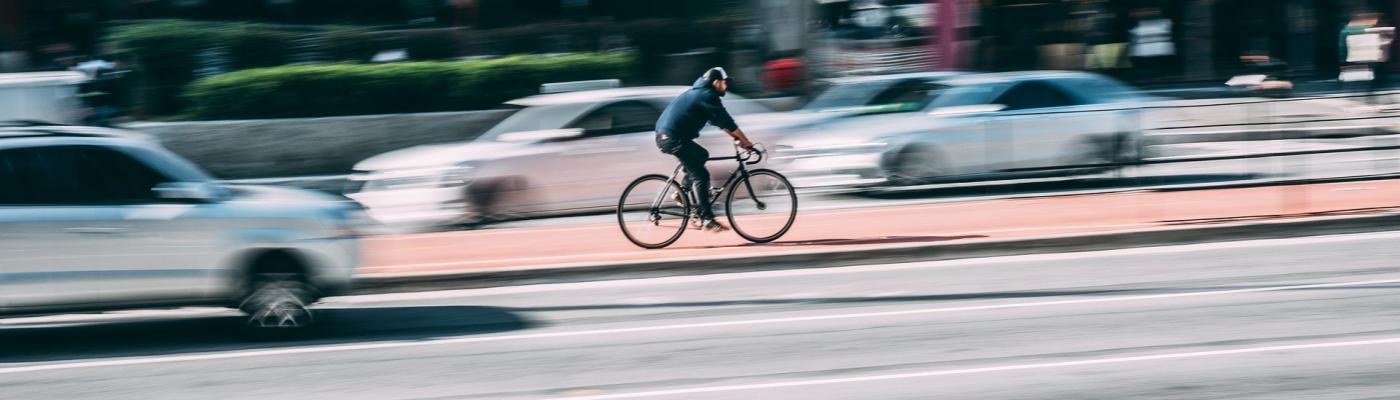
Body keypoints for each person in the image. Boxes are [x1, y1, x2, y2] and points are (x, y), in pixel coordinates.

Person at [655, 67, 756, 233]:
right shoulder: (707, 95)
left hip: (670, 136)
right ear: (716, 82)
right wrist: (745, 141)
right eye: (725, 83)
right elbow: (727, 121)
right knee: (701, 175)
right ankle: (707, 218)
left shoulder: (701, 94)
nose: (726, 87)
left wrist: (737, 138)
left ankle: (682, 192)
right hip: (672, 139)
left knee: (703, 155)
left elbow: (719, 122)